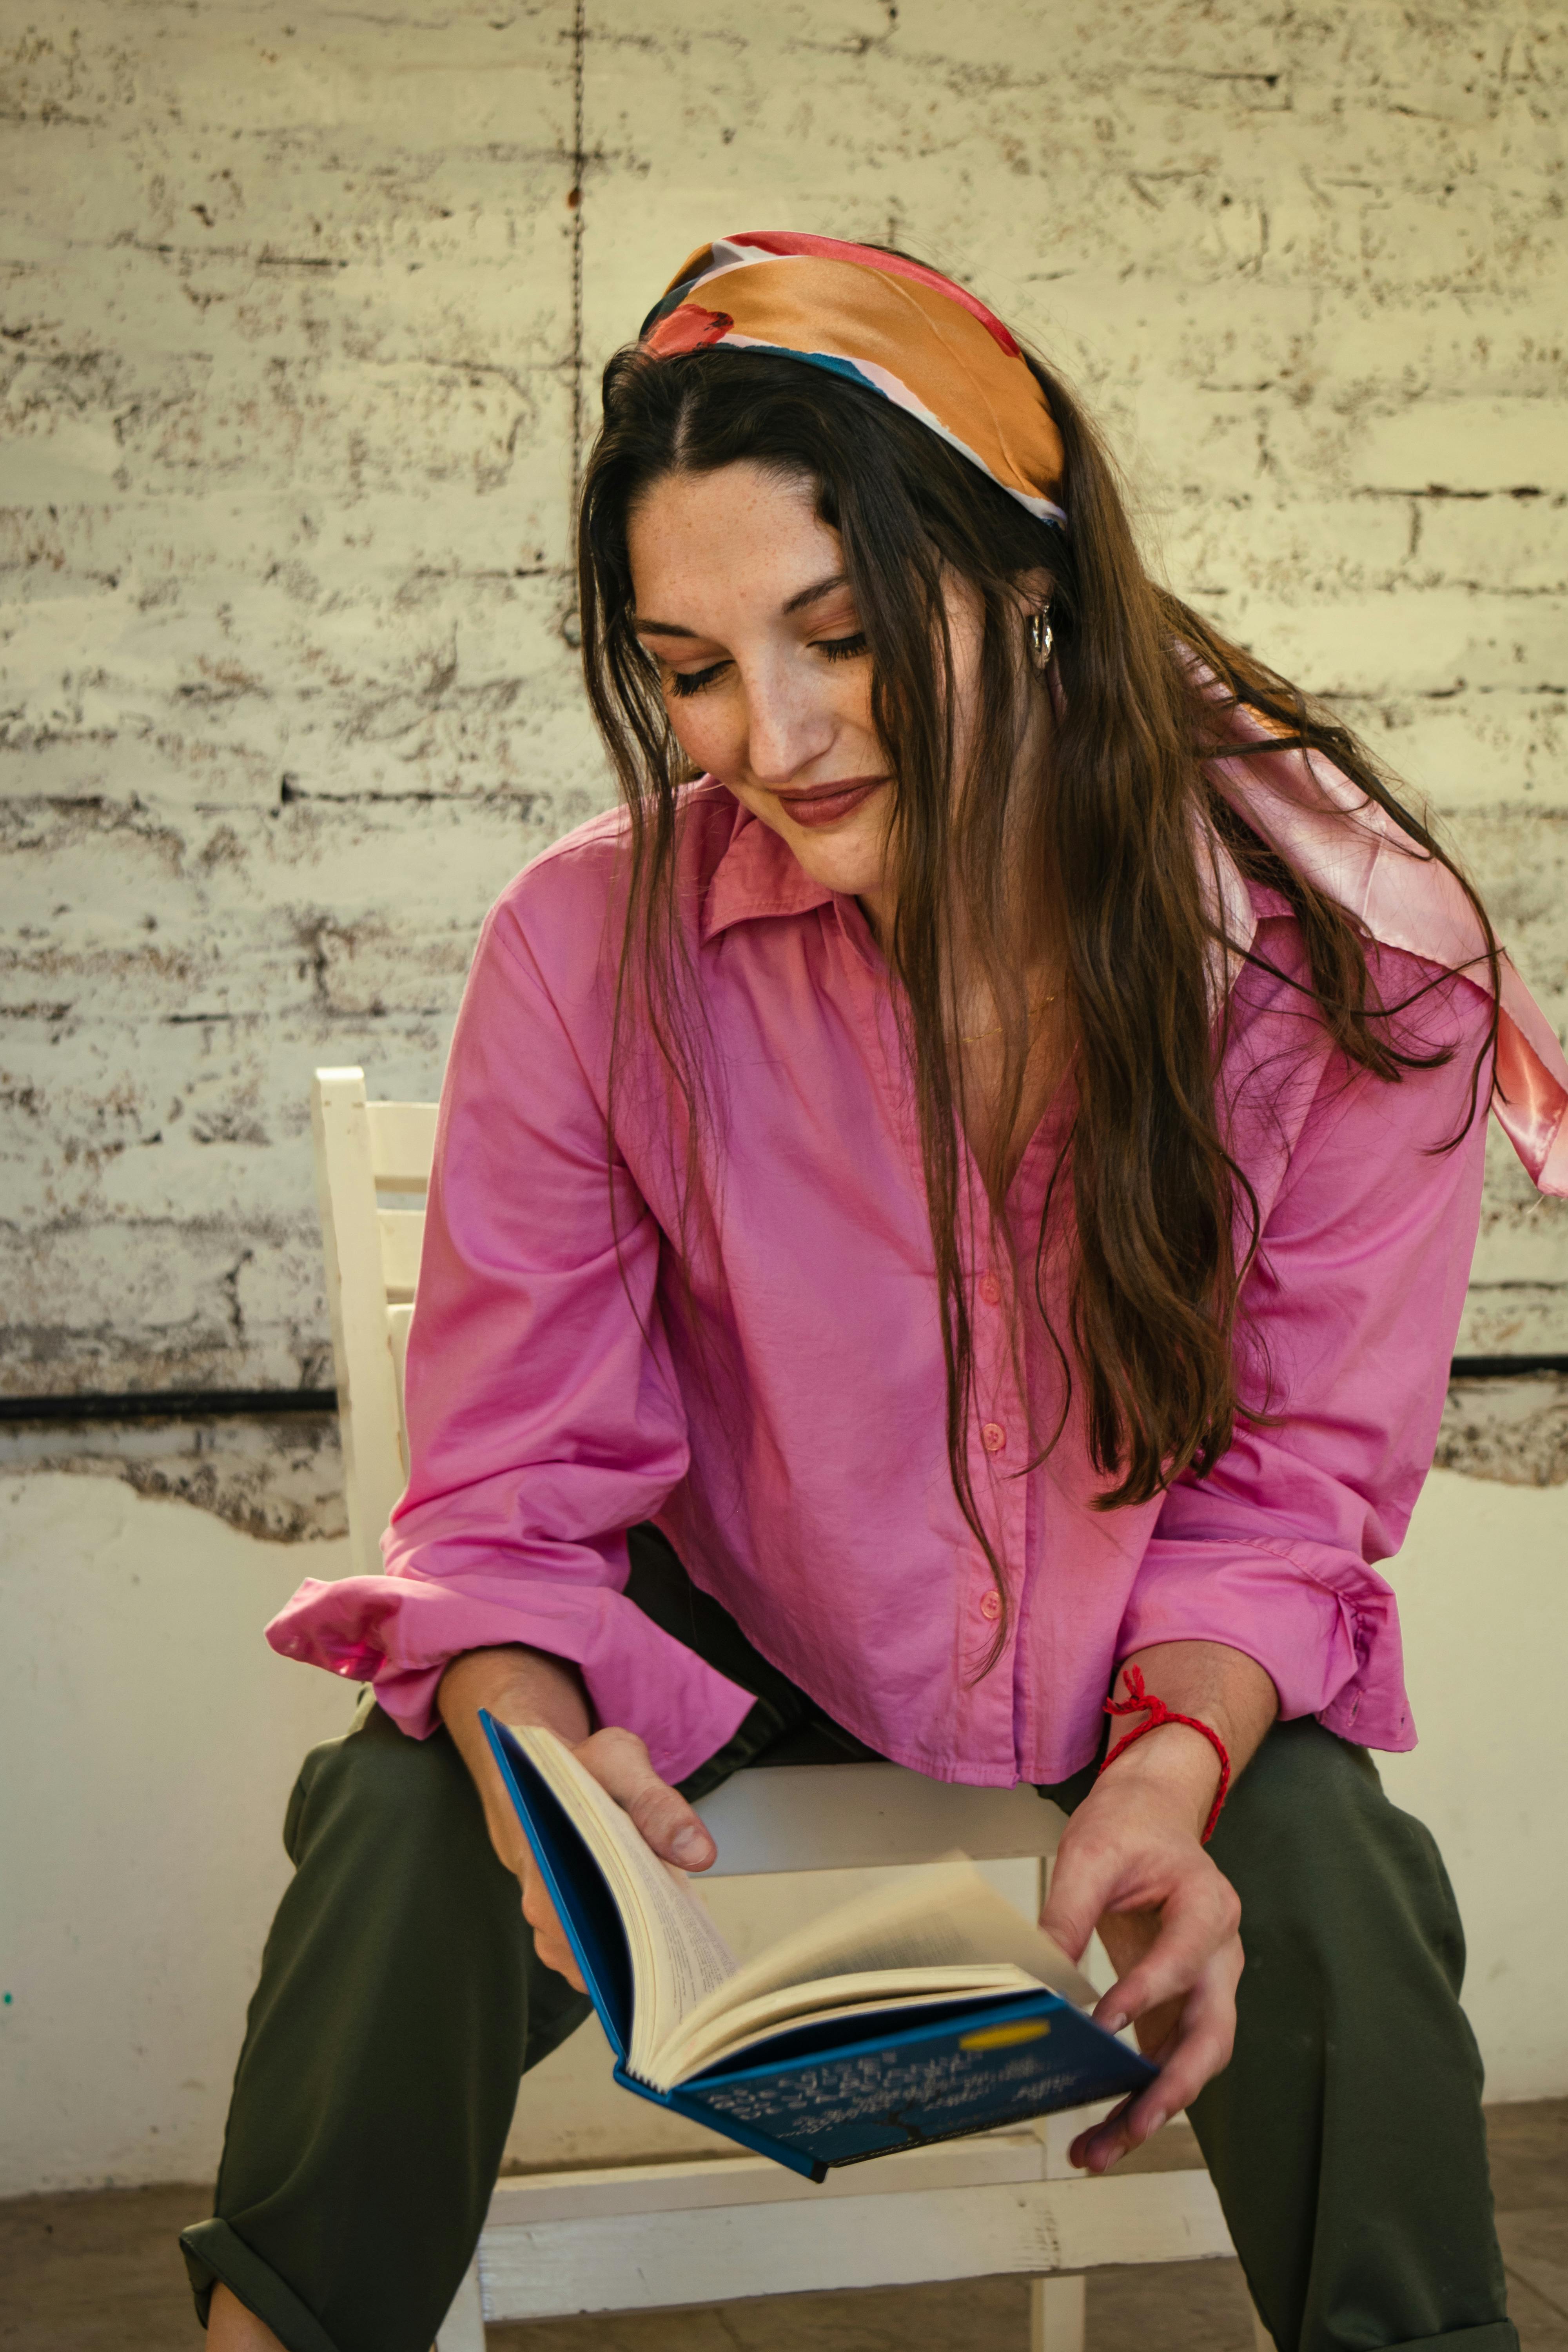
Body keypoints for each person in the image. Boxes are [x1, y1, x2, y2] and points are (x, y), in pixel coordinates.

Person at [182, 231, 1567, 2352]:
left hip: (1124, 1644)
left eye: (838, 633)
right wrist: (515, 1711)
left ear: (1027, 576)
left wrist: (1172, 1773)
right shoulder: (586, 949)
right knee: (399, 1808)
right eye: (694, 666)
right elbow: (516, 1480)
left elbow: (1289, 1495)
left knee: (1337, 1890)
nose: (778, 733)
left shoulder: (1355, 977)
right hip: (724, 1622)